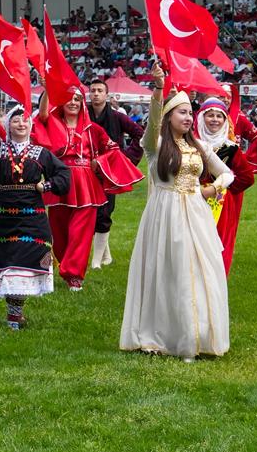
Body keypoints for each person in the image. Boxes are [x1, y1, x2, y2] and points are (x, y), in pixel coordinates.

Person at [119, 68, 234, 359]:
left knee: (198, 269)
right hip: (165, 213)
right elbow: (152, 123)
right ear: (169, 116)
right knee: (168, 270)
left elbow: (227, 174)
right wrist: (158, 90)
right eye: (180, 112)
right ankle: (166, 333)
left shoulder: (199, 146)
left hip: (196, 213)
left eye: (188, 112)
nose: (186, 117)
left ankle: (198, 334)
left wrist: (214, 187)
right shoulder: (155, 146)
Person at [0, 106, 70, 329]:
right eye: (16, 120)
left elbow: (64, 174)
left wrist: (46, 185)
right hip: (3, 217)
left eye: (25, 120)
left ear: (30, 126)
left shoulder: (40, 153)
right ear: (8, 126)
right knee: (7, 263)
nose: (21, 124)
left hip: (32, 218)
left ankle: (14, 316)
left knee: (23, 263)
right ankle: (14, 314)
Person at [34, 87, 121, 290]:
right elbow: (43, 114)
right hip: (60, 182)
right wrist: (48, 89)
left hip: (86, 185)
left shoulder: (93, 130)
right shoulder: (53, 123)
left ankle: (75, 275)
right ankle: (66, 266)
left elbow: (113, 149)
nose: (73, 102)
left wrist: (98, 162)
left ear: (83, 103)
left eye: (77, 99)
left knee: (80, 232)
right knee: (59, 231)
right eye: (68, 99)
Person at [192, 96, 257, 272]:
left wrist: (225, 189)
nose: (214, 119)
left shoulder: (231, 148)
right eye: (210, 115)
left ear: (225, 120)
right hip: (193, 197)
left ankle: (215, 281)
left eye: (219, 116)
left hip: (220, 202)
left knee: (217, 241)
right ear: (201, 117)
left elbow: (246, 177)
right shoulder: (190, 144)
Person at [86, 77, 145, 269]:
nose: (95, 94)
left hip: (109, 171)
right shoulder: (83, 114)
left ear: (106, 94)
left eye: (99, 91)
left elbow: (140, 135)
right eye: (93, 90)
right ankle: (106, 256)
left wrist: (127, 158)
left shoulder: (117, 116)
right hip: (86, 168)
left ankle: (96, 262)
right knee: (90, 210)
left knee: (104, 211)